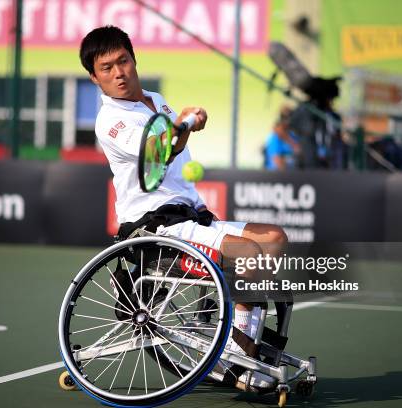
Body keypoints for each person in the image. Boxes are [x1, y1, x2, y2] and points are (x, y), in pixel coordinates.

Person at [79, 25, 287, 389]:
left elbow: (171, 138)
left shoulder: (156, 100)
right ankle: (238, 357)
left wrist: (181, 123)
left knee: (274, 238)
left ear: (133, 58)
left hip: (193, 215)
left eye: (123, 61)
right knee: (248, 255)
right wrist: (182, 125)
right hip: (155, 229)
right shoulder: (109, 121)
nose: (118, 73)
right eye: (107, 68)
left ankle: (234, 341)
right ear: (94, 78)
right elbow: (159, 150)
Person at [264, 106, 301, 170]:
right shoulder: (274, 138)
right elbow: (278, 163)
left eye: (289, 117)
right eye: (284, 118)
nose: (287, 121)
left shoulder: (294, 135)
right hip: (278, 175)